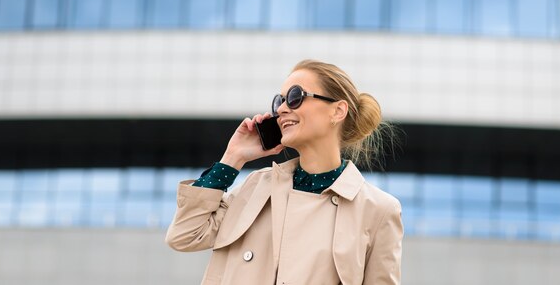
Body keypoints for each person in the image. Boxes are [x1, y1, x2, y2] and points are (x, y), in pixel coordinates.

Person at [165, 59, 404, 285]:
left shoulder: (378, 210)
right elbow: (184, 235)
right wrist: (233, 157)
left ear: (337, 111)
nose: (281, 109)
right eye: (279, 101)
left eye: (295, 97)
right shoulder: (256, 186)